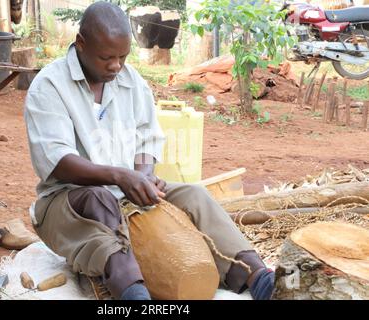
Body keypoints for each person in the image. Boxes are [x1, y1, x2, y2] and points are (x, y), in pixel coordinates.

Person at [24, 1, 274, 300]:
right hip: (67, 201)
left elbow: (147, 140)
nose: (116, 65)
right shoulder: (49, 86)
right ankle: (133, 293)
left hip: (125, 192)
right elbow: (58, 162)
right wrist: (120, 177)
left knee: (194, 195)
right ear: (81, 44)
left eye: (123, 56)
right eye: (106, 57)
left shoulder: (131, 82)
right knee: (99, 199)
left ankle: (257, 276)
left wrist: (143, 173)